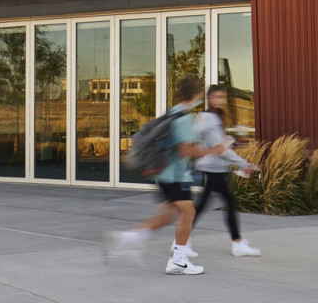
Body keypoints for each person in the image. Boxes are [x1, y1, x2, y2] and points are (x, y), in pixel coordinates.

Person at [110, 74, 209, 275]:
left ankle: (129, 238)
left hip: (162, 174)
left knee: (166, 216)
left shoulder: (173, 112)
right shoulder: (184, 118)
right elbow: (185, 150)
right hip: (175, 176)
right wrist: (212, 151)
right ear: (197, 93)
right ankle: (178, 261)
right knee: (188, 212)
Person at [192, 84, 261, 257]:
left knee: (203, 205)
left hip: (213, 166)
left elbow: (216, 143)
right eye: (217, 97)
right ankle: (237, 244)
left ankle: (181, 241)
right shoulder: (209, 118)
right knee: (227, 203)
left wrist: (234, 145)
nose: (221, 100)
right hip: (212, 167)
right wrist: (244, 164)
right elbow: (220, 148)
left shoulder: (212, 117)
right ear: (209, 99)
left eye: (222, 97)